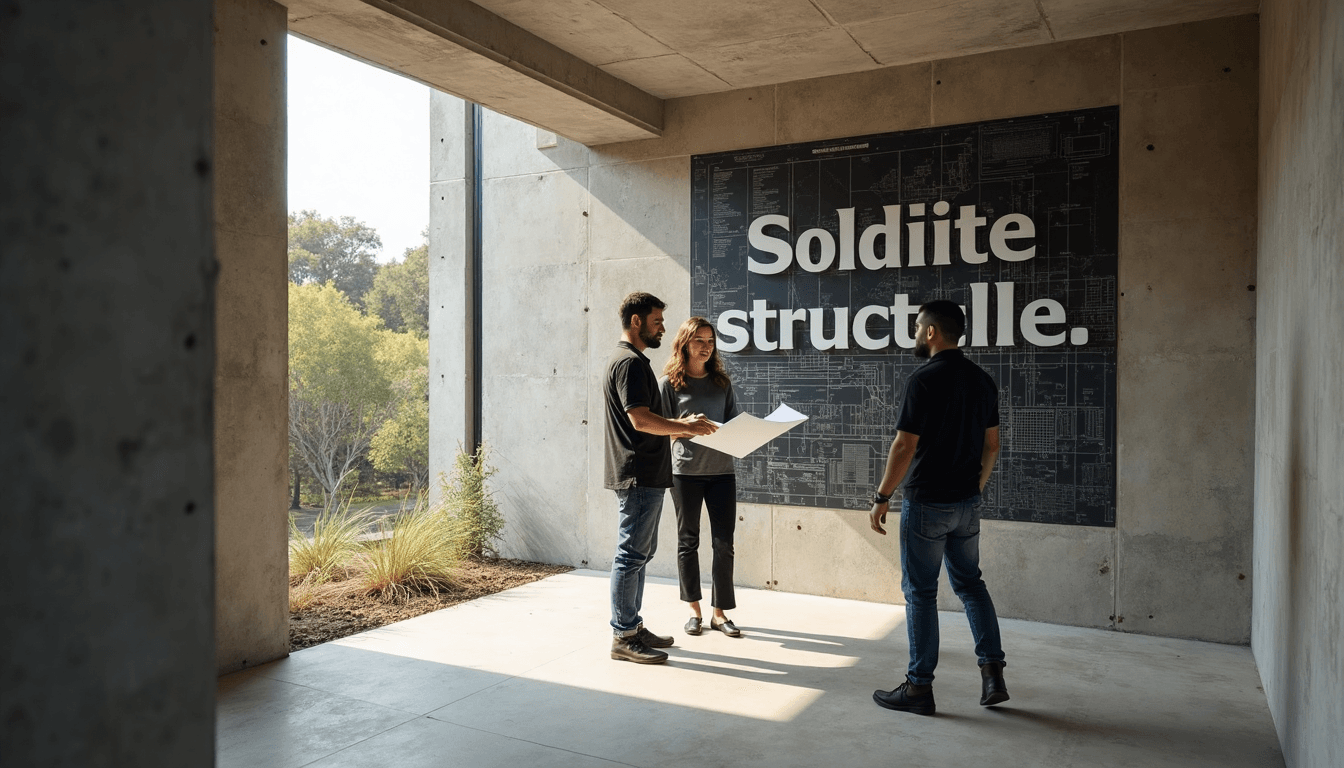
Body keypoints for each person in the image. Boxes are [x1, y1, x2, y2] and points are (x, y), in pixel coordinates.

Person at [868, 299, 1009, 715]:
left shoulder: (923, 379)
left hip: (928, 503)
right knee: (971, 585)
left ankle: (918, 689)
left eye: (917, 326)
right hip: (967, 504)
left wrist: (881, 497)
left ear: (931, 332)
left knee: (920, 594)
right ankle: (993, 675)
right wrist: (975, 488)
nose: (915, 333)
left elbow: (904, 445)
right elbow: (993, 445)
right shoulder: (983, 380)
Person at [604, 292, 717, 664]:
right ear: (636, 322)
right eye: (657, 321)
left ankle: (632, 626)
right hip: (638, 475)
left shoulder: (631, 362)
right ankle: (623, 635)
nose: (662, 328)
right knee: (631, 554)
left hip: (647, 475)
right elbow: (639, 419)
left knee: (640, 553)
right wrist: (682, 426)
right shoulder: (630, 364)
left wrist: (679, 428)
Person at [659, 317, 743, 638]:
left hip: (722, 473)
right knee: (688, 541)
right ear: (685, 344)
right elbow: (656, 431)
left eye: (710, 341)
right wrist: (685, 426)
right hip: (685, 475)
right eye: (700, 341)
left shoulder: (722, 383)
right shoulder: (668, 384)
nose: (706, 347)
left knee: (724, 544)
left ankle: (719, 614)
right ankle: (693, 609)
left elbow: (733, 424)